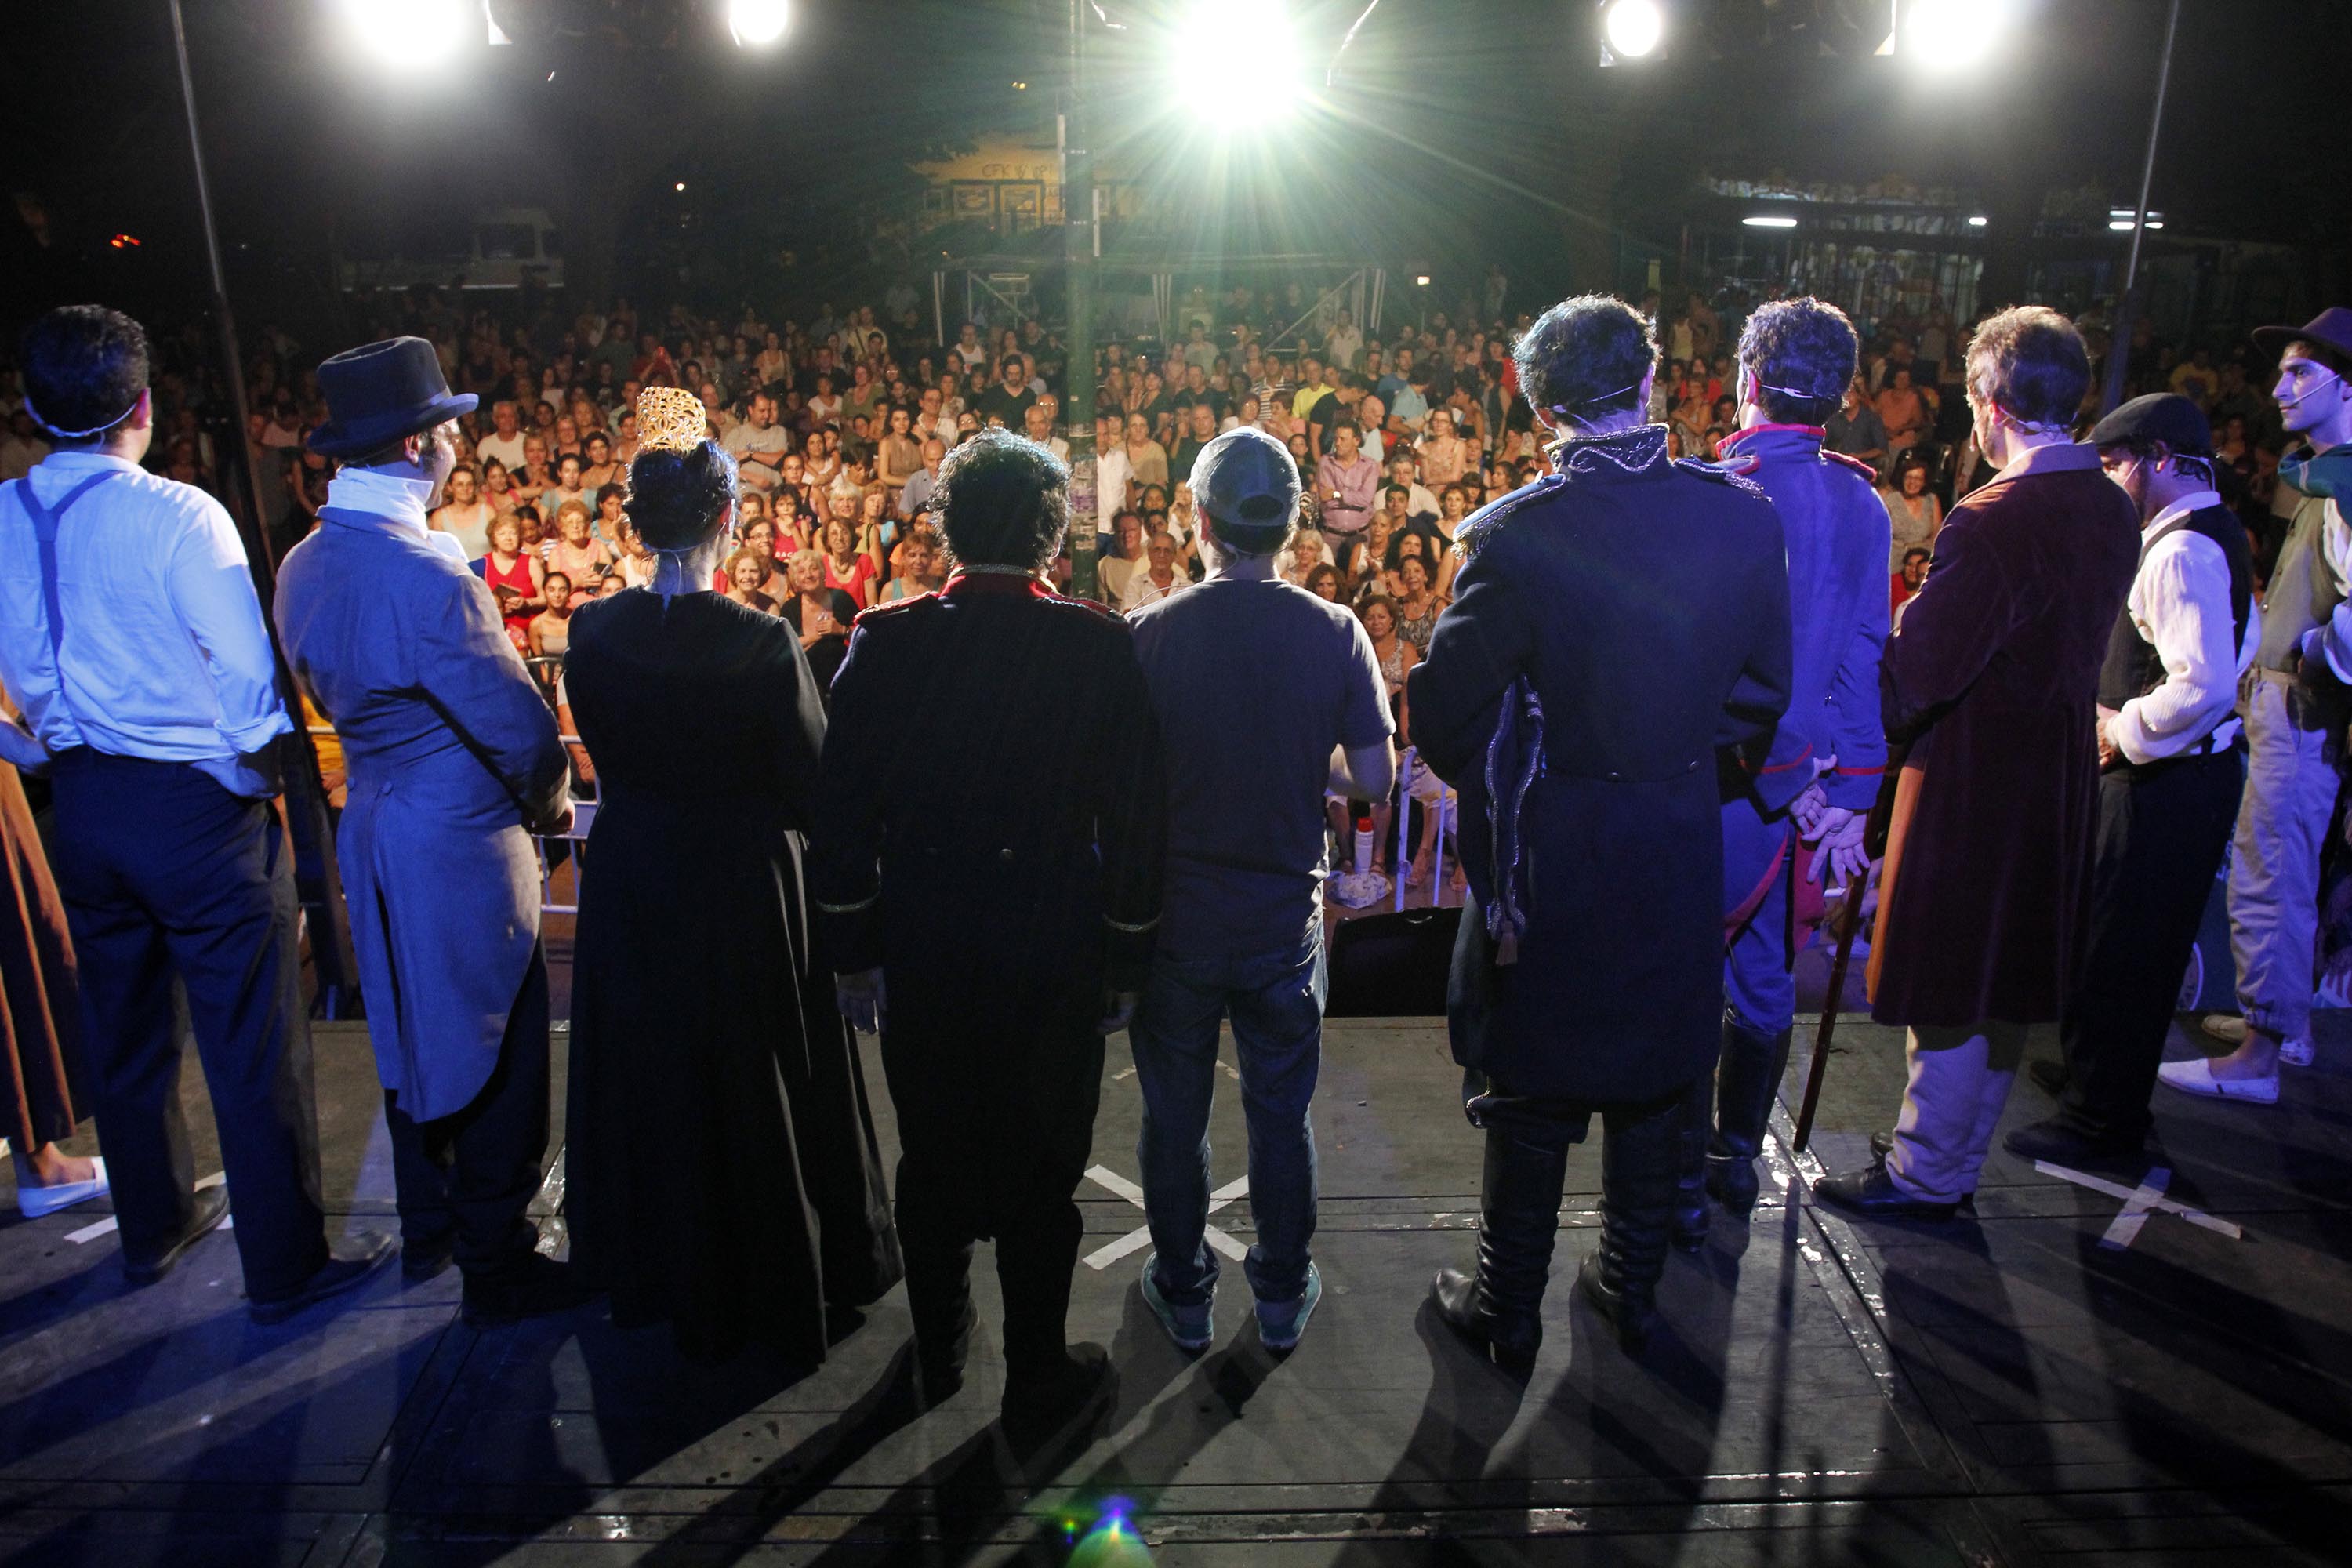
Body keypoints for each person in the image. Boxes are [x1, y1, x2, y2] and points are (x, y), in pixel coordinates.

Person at [1410, 294, 1791, 1362]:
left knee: (1532, 1082)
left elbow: (1443, 711)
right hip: (1673, 828)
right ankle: (1632, 1293)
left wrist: (1533, 752)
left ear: (1541, 406)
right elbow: (1764, 695)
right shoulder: (1741, 517)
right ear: (1652, 381)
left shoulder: (1520, 536)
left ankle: (1506, 1311)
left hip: (1555, 842)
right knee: (1657, 1065)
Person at [0, 306, 391, 1319]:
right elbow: (247, 678)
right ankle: (285, 1268)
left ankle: (152, 1232)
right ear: (141, 405)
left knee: (125, 1038)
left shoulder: (0, 514)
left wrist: (29, 742)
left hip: (80, 801)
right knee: (251, 1043)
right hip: (193, 808)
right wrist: (252, 778)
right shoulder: (179, 514)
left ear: (33, 409)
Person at [809, 427, 1165, 1446]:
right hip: (1052, 945)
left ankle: (939, 1341)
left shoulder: (889, 638)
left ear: (949, 529)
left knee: (933, 1153)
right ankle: (1038, 1378)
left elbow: (841, 816)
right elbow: (1138, 817)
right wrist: (1127, 952)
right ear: (1056, 536)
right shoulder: (1097, 645)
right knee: (1043, 1169)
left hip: (926, 946)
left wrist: (854, 950)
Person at [563, 386, 902, 1363]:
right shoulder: (760, 643)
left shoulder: (591, 633)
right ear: (729, 517)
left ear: (633, 525)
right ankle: (781, 1260)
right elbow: (813, 781)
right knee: (757, 1074)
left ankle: (659, 1262)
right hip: (745, 883)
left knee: (656, 1069)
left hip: (633, 877)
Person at [275, 333, 579, 1323]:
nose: (460, 439)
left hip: (375, 822)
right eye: (449, 425)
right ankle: (497, 1259)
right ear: (419, 446)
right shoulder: (429, 577)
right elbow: (521, 736)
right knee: (496, 1043)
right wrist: (552, 811)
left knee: (410, 1031)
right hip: (458, 840)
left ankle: (431, 1225)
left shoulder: (303, 563)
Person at [1813, 307, 2140, 1220]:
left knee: (1955, 973)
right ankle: (1946, 1151)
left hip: (1976, 777)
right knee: (2004, 976)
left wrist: (1859, 656)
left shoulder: (1995, 517)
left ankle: (1928, 1171)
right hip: (2057, 769)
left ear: (1991, 403)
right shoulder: (2111, 503)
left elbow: (1921, 675)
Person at [1124, 427, 1395, 1356]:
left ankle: (1184, 1292)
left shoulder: (1151, 632)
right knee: (1280, 1116)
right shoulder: (1335, 630)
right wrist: (1303, 763)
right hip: (1283, 921)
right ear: (1292, 527)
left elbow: (1125, 782)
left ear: (1199, 522)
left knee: (1175, 1119)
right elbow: (1374, 778)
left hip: (1178, 924)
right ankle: (1279, 1296)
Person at [1675, 299, 1891, 1236]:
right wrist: (1845, 789)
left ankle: (1674, 1169)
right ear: (1840, 398)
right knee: (1763, 977)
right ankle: (1734, 1155)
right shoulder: (1861, 498)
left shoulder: (1715, 489)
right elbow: (1864, 653)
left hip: (1706, 780)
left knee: (1680, 968)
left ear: (1747, 381)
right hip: (1800, 791)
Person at [1998, 395, 2251, 1162]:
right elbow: (2242, 648)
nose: (2108, 479)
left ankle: (2100, 1121)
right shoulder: (2214, 532)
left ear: (2161, 458)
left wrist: (2122, 729)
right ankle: (2092, 1081)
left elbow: (2203, 685)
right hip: (2180, 780)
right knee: (2114, 940)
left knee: (2125, 951)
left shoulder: (2180, 552)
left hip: (2161, 785)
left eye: (2116, 464)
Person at [2187, 309, 2352, 1091]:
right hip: (2288, 697)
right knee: (2274, 863)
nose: (2280, 387)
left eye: (2300, 373)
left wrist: (2305, 655)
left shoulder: (2347, 484)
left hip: (2302, 706)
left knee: (2273, 866)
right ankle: (2274, 1024)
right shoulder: (2322, 477)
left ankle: (2262, 1051)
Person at [473, 511, 546, 650]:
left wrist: (527, 603)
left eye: (513, 533)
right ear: (494, 539)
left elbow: (545, 598)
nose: (508, 538)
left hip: (529, 632)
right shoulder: (483, 564)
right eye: (502, 534)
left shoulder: (531, 562)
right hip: (495, 634)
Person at [1880, 456, 1942, 572]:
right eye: (1909, 477)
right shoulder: (1890, 499)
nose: (1912, 482)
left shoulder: (1931, 500)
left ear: (1924, 482)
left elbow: (1937, 535)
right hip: (1894, 557)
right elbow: (1879, 533)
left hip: (1922, 557)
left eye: (1918, 478)